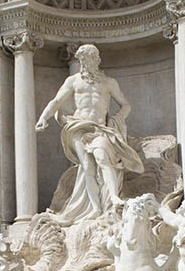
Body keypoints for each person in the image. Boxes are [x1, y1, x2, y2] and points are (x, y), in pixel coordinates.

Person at [36, 44, 144, 222]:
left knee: (102, 157)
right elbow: (56, 101)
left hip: (100, 128)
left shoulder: (109, 82)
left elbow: (126, 105)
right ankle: (95, 208)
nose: (87, 63)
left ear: (97, 59)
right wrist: (43, 118)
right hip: (79, 126)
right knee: (87, 166)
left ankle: (114, 197)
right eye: (83, 59)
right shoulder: (73, 81)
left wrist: (115, 119)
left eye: (90, 58)